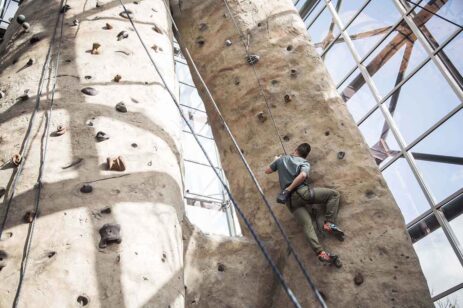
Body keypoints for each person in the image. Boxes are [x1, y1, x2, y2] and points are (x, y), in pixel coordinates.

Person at [265, 142, 344, 265]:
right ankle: (329, 223)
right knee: (334, 195)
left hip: (290, 202)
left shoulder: (282, 159)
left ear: (295, 150)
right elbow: (302, 175)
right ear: (305, 155)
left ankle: (320, 253)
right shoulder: (304, 162)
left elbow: (267, 171)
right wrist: (290, 188)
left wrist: (276, 160)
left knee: (307, 225)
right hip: (303, 193)